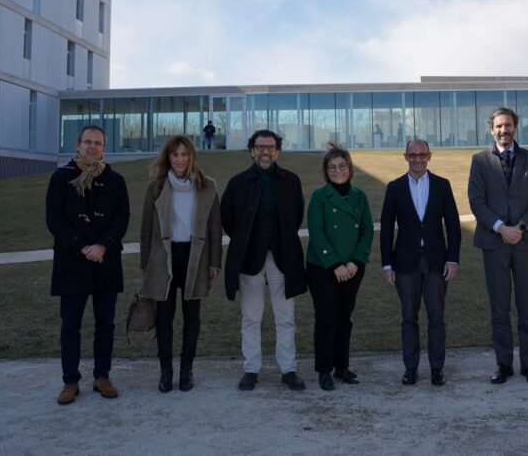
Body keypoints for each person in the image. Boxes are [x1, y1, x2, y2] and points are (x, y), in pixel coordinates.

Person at [46, 125, 130, 405]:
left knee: (105, 322)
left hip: (105, 261)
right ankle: (70, 382)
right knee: (70, 325)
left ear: (104, 148)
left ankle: (101, 376)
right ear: (78, 145)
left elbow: (121, 218)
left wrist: (102, 245)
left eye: (99, 143)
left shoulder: (115, 180)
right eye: (88, 142)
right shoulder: (61, 178)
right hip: (72, 262)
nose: (93, 147)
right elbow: (54, 220)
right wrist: (82, 246)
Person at [468, 107, 528, 386]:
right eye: (499, 126)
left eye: (509, 125)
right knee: (499, 309)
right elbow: (476, 201)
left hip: (525, 243)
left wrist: (521, 228)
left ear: (515, 128)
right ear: (492, 129)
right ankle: (503, 364)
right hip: (495, 244)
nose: (504, 130)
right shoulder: (479, 161)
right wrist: (501, 228)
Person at [221, 129, 308, 391]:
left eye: (270, 147)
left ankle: (288, 369)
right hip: (250, 259)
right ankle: (251, 369)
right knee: (251, 317)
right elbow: (229, 220)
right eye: (259, 147)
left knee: (285, 317)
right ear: (251, 151)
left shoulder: (290, 181)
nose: (265, 152)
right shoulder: (238, 183)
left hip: (283, 258)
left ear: (278, 151)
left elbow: (296, 216)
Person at [139, 134, 222, 393]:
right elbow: (145, 229)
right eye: (175, 154)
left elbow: (215, 229)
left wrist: (215, 263)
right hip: (164, 257)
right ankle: (166, 372)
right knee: (164, 318)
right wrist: (146, 266)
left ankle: (187, 369)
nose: (180, 159)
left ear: (192, 156)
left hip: (195, 257)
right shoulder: (156, 187)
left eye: (184, 154)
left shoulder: (207, 186)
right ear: (168, 157)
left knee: (192, 318)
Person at [380, 139, 461, 386]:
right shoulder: (394, 187)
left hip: (436, 260)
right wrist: (386, 264)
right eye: (413, 155)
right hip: (405, 262)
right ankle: (411, 368)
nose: (417, 159)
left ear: (430, 156)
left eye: (422, 154)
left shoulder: (442, 185)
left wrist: (453, 259)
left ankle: (437, 367)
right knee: (408, 317)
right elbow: (385, 229)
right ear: (405, 157)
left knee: (436, 317)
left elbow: (454, 226)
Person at [305, 143, 374, 391]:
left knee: (344, 318)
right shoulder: (320, 197)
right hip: (323, 267)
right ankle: (323, 369)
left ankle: (341, 367)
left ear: (349, 168)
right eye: (332, 167)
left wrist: (355, 261)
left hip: (353, 268)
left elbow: (367, 230)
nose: (337, 170)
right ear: (326, 170)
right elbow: (317, 232)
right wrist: (335, 264)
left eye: (342, 166)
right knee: (326, 319)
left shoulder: (360, 196)